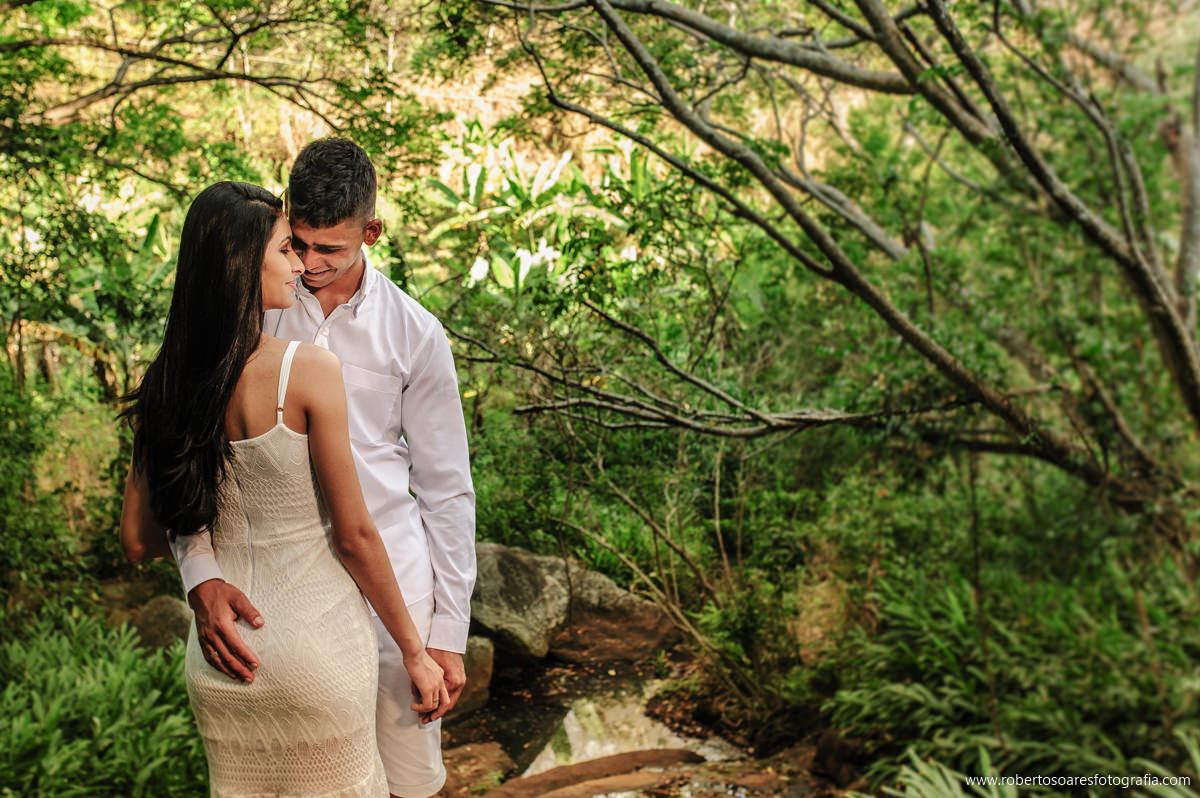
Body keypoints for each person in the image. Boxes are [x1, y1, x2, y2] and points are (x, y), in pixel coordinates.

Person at [120, 180, 449, 796]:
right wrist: (415, 650)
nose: (299, 263)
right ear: (243, 265)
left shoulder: (164, 381)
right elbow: (353, 536)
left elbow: (137, 541)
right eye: (284, 250)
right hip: (316, 651)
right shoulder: (306, 370)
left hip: (224, 664)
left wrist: (201, 576)